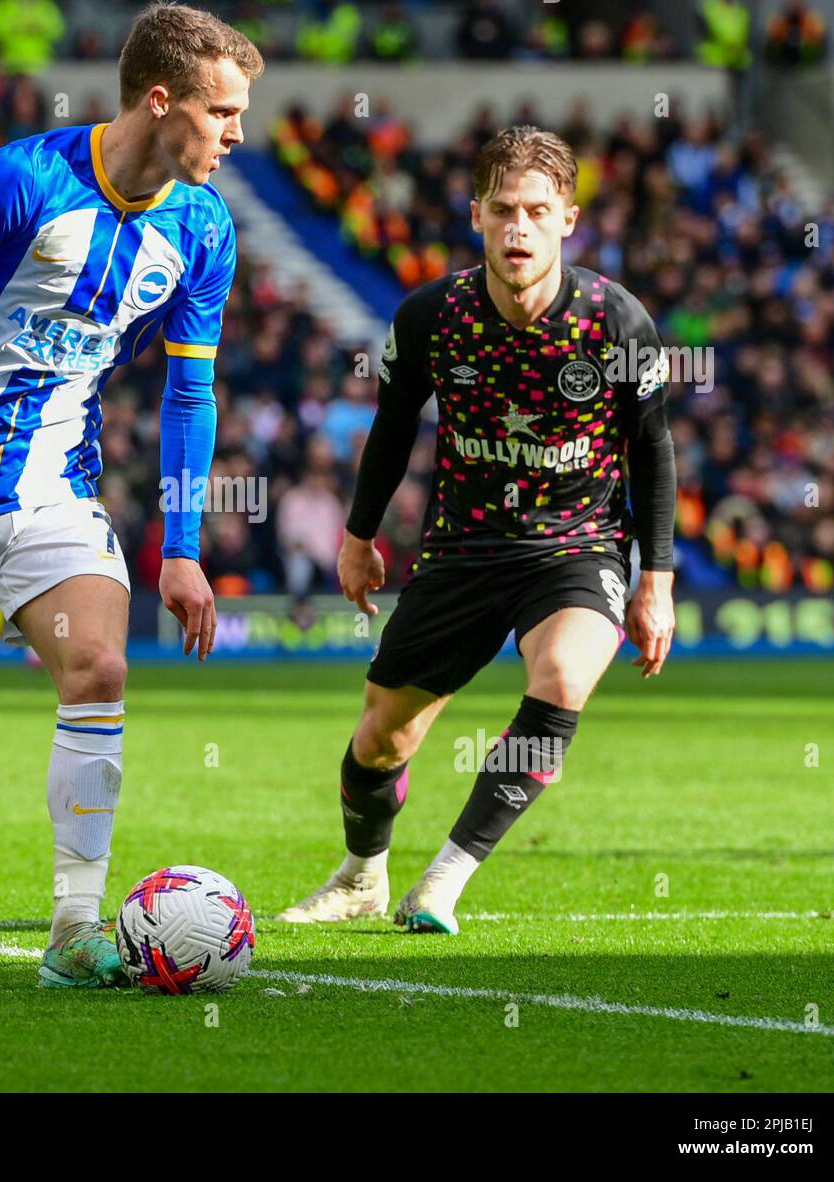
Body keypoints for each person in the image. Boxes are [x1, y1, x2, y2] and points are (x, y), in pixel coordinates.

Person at [0, 2, 263, 986]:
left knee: (99, 672)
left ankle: (74, 931)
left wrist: (180, 546)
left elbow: (189, 388)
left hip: (55, 484)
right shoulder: (22, 180)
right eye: (222, 112)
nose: (236, 134)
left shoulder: (204, 228)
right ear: (160, 101)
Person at [279, 126, 677, 933]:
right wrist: (358, 537)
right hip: (462, 548)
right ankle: (362, 877)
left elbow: (652, 448)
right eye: (503, 210)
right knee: (380, 743)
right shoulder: (433, 316)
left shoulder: (616, 321)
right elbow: (392, 429)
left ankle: (446, 878)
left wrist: (656, 581)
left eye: (537, 210)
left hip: (579, 543)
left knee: (563, 681)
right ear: (475, 216)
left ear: (569, 218)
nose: (519, 228)